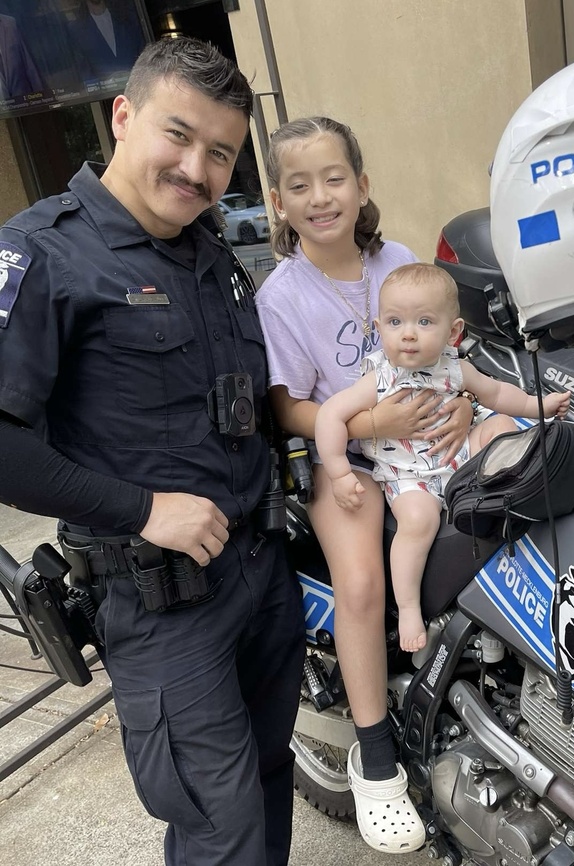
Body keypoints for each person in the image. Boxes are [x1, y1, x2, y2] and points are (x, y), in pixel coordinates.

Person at [0, 37, 304, 866]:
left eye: (221, 153)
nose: (197, 169)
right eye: (179, 135)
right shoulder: (44, 252)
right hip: (162, 604)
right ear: (123, 116)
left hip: (259, 570)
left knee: (268, 781)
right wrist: (142, 508)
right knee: (220, 826)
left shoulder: (211, 252)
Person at [255, 116, 475, 854]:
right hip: (343, 457)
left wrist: (464, 404)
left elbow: (448, 351)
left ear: (362, 185)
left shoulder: (399, 261)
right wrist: (372, 422)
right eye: (299, 185)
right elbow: (288, 405)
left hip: (424, 441)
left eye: (334, 178)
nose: (320, 196)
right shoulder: (283, 296)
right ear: (278, 202)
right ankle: (376, 760)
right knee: (358, 583)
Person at [315, 262, 571, 652]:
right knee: (418, 521)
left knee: (502, 425)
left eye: (424, 322)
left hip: (458, 456)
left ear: (453, 332)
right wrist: (338, 472)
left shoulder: (455, 368)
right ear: (379, 328)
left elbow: (498, 394)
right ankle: (409, 607)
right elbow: (330, 415)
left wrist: (541, 405)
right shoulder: (380, 378)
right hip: (409, 476)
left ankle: (504, 490)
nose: (409, 334)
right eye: (395, 322)